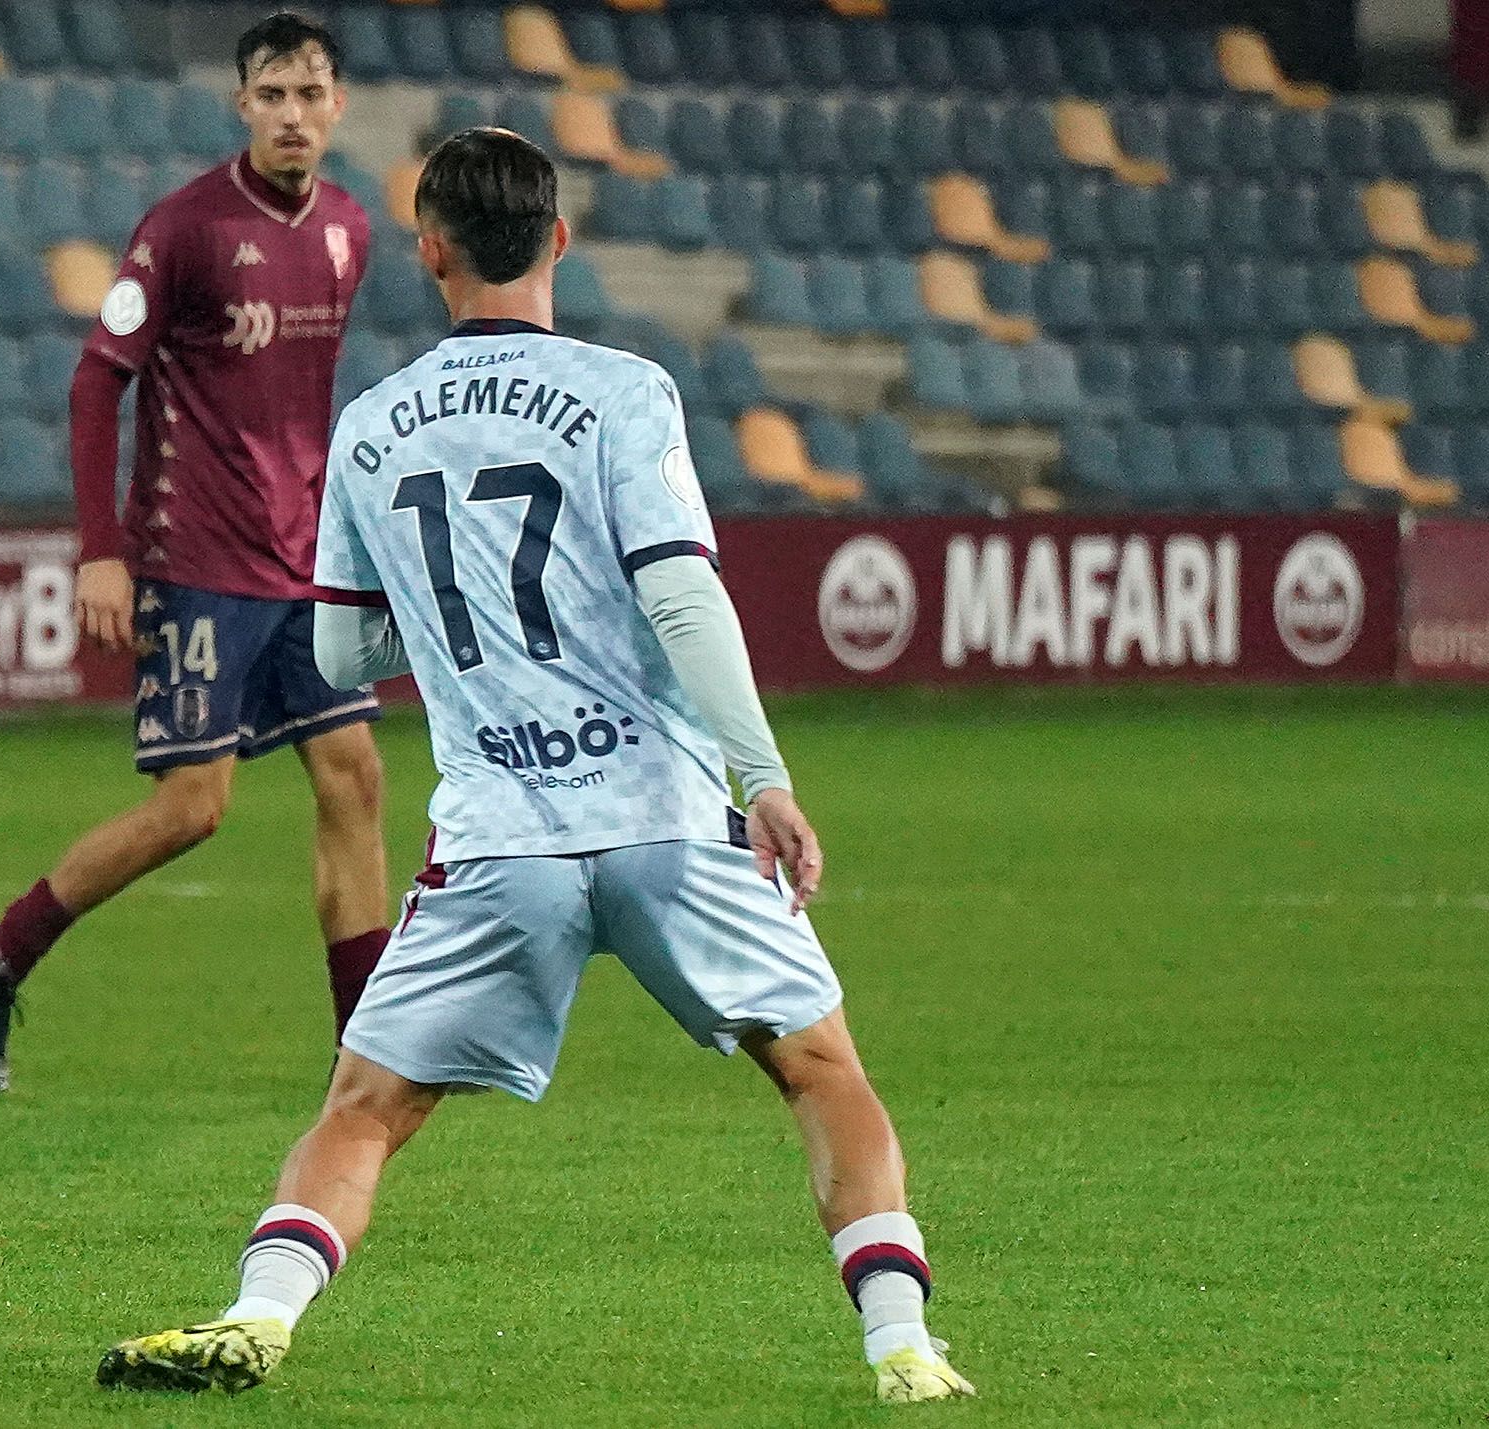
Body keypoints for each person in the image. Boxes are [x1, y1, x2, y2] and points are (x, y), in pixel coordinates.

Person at [97, 129, 977, 1405]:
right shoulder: (626, 393)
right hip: (665, 816)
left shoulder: (370, 425)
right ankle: (900, 1344)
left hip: (500, 831)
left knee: (365, 1106)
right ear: (559, 240)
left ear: (429, 252)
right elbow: (680, 598)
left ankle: (255, 1320)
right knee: (820, 1071)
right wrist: (763, 775)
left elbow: (343, 642)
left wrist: (472, 640)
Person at [0, 12, 388, 1092]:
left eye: (308, 93)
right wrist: (104, 551)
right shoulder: (182, 228)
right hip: (194, 559)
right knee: (194, 808)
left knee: (355, 777)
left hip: (306, 561)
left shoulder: (348, 229)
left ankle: (367, 1050)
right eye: (270, 94)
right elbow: (99, 380)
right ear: (241, 104)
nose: (290, 113)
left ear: (336, 107)